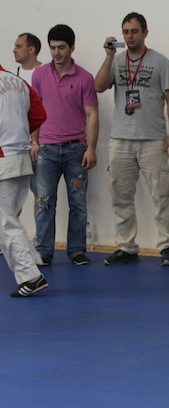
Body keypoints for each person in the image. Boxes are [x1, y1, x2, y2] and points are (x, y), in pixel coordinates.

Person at [94, 12, 169, 266]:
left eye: (134, 31)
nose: (130, 36)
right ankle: (126, 246)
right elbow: (98, 86)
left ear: (145, 32)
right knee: (120, 196)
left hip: (153, 138)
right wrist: (108, 56)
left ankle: (168, 246)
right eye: (126, 32)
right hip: (121, 138)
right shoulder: (116, 60)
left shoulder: (161, 62)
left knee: (162, 195)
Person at [31, 24, 99, 266]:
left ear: (72, 48)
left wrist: (91, 148)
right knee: (44, 201)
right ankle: (43, 251)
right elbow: (34, 110)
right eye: (52, 48)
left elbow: (92, 114)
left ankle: (77, 251)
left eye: (61, 47)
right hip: (46, 149)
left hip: (75, 150)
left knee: (78, 203)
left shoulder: (85, 78)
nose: (57, 53)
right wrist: (34, 142)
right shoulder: (39, 75)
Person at [0, 63, 50, 296]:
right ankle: (32, 259)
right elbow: (39, 115)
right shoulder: (17, 81)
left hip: (3, 157)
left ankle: (31, 276)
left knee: (6, 222)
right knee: (9, 219)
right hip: (21, 155)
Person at [13, 32, 42, 204]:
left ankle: (40, 225)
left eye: (18, 46)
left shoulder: (45, 73)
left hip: (39, 142)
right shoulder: (12, 77)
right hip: (16, 143)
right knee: (13, 194)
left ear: (31, 49)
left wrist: (35, 141)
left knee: (40, 191)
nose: (14, 50)